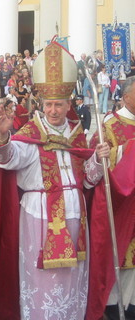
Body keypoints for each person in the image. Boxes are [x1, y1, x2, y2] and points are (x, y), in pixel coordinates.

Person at [0, 41, 109, 319]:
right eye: (49, 105)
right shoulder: (31, 132)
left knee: (72, 277)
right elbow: (8, 159)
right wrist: (3, 137)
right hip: (40, 214)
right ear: (41, 104)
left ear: (69, 104)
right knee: (43, 279)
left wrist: (97, 158)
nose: (54, 110)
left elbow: (89, 182)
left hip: (75, 212)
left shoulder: (76, 134)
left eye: (59, 104)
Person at [88, 76, 135, 320]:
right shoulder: (109, 125)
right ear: (126, 97)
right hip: (122, 204)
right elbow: (95, 158)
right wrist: (126, 151)